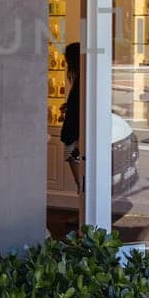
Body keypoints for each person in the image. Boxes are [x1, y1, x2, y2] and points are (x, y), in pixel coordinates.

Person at [60, 41, 84, 191]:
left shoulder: (80, 81)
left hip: (74, 137)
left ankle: (84, 211)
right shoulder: (83, 79)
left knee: (80, 181)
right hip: (76, 135)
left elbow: (77, 108)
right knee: (82, 180)